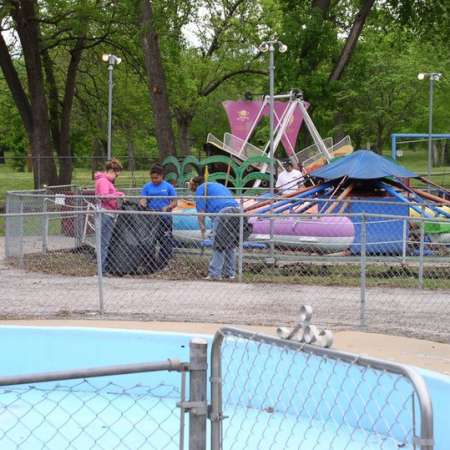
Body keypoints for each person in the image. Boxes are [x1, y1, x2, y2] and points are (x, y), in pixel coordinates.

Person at [189, 176, 239, 280]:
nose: (189, 186)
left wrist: (202, 225)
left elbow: (201, 210)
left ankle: (215, 274)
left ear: (195, 184)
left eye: (190, 183)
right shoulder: (216, 185)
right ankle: (229, 273)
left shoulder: (201, 188)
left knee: (218, 244)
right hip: (236, 211)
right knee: (230, 244)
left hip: (222, 212)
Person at [140, 164, 177, 265]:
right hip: (150, 219)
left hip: (165, 219)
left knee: (165, 241)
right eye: (152, 178)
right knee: (149, 241)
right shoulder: (146, 187)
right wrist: (143, 204)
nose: (154, 180)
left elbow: (175, 202)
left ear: (162, 176)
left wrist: (168, 207)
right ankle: (149, 262)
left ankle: (163, 262)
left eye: (156, 178)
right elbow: (143, 199)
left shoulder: (168, 187)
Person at [95, 159, 124, 274]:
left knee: (105, 243)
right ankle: (101, 270)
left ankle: (103, 269)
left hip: (109, 213)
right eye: (116, 174)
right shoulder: (103, 181)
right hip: (104, 213)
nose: (116, 176)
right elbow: (104, 196)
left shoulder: (108, 182)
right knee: (102, 243)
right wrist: (119, 194)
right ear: (111, 171)